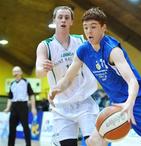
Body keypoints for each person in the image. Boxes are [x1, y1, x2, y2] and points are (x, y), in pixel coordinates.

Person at [49, 7, 141, 146]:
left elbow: (133, 81)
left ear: (103, 28)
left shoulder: (112, 50)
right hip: (117, 106)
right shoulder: (83, 50)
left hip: (139, 102)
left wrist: (129, 103)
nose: (89, 31)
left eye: (93, 27)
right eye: (85, 27)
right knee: (93, 141)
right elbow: (67, 78)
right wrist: (56, 89)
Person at [36, 6, 99, 146]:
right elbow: (38, 71)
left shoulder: (81, 41)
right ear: (54, 20)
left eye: (67, 17)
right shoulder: (45, 45)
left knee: (94, 142)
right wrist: (43, 69)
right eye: (60, 17)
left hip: (84, 101)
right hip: (61, 106)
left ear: (71, 22)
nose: (63, 20)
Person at [3, 66, 37, 146]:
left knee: (25, 127)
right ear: (12, 73)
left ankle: (28, 144)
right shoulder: (12, 84)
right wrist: (8, 108)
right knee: (12, 128)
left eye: (17, 71)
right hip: (14, 107)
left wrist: (33, 108)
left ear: (21, 73)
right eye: (14, 71)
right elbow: (10, 97)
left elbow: (31, 95)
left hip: (23, 106)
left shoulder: (26, 82)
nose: (16, 73)